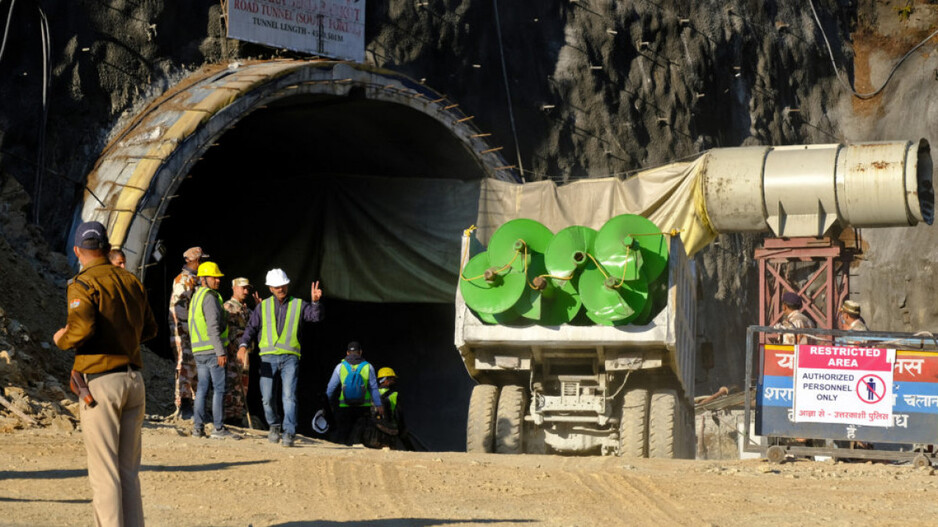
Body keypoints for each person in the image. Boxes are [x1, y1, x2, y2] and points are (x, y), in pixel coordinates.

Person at [53, 221, 158, 526]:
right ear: (108, 249)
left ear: (77, 251)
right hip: (133, 381)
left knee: (104, 472)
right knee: (128, 472)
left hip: (101, 384)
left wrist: (62, 338)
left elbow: (82, 327)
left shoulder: (82, 284)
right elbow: (150, 329)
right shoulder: (131, 281)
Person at [238, 268, 323, 447]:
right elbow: (251, 329)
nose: (280, 289)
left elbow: (315, 317)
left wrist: (315, 303)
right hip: (268, 359)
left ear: (287, 285)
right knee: (267, 398)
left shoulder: (299, 304)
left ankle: (289, 432)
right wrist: (243, 345)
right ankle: (274, 426)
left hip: (290, 358)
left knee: (289, 396)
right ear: (270, 288)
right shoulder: (263, 306)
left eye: (283, 285)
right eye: (277, 286)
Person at [188, 261, 240, 440]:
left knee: (202, 388)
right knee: (219, 389)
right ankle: (218, 428)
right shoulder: (209, 297)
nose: (217, 281)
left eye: (218, 278)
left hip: (199, 350)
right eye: (214, 277)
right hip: (212, 350)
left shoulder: (196, 297)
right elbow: (212, 325)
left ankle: (198, 428)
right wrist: (220, 351)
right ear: (203, 279)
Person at [168, 247, 208, 418]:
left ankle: (195, 406)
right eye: (200, 260)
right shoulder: (183, 280)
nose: (202, 263)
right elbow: (180, 309)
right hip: (184, 331)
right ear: (191, 261)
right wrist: (187, 332)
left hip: (194, 332)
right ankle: (183, 405)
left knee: (195, 367)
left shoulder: (196, 280)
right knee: (184, 366)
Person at [325, 341, 384, 446]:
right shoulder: (368, 367)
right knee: (361, 436)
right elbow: (374, 388)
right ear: (360, 352)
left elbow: (331, 388)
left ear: (347, 353)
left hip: (345, 406)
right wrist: (379, 405)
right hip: (363, 407)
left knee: (343, 434)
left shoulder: (340, 367)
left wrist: (326, 405)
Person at [223, 277, 256, 426]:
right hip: (232, 354)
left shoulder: (247, 310)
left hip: (245, 354)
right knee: (232, 386)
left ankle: (238, 415)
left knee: (243, 386)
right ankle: (230, 418)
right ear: (234, 288)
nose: (246, 291)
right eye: (243, 288)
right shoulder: (227, 308)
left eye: (247, 288)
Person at [374, 367, 414, 450]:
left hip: (374, 430)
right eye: (392, 379)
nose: (394, 382)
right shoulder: (394, 395)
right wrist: (403, 430)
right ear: (386, 380)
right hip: (389, 429)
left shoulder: (371, 393)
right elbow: (398, 415)